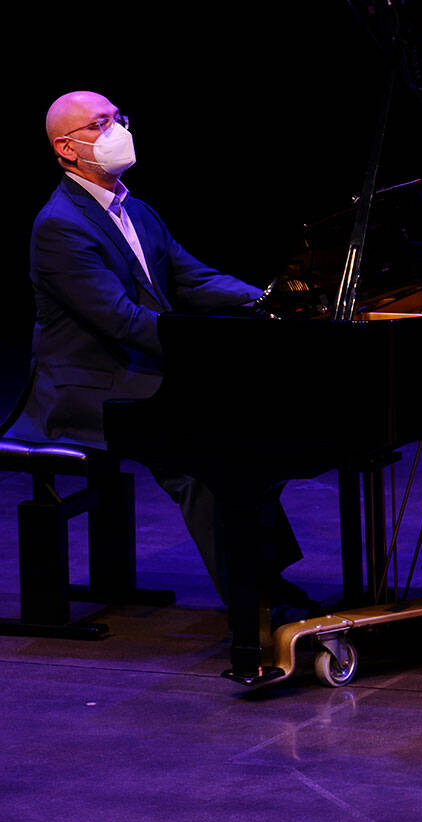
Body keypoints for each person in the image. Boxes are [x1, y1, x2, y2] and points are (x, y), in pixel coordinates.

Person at [4, 90, 311, 616]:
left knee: (248, 436)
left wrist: (270, 301)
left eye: (117, 118)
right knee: (199, 463)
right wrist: (206, 351)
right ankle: (254, 604)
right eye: (99, 124)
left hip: (135, 373)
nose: (117, 130)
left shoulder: (136, 210)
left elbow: (193, 278)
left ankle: (270, 577)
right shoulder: (59, 225)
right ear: (67, 149)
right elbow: (119, 318)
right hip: (84, 390)